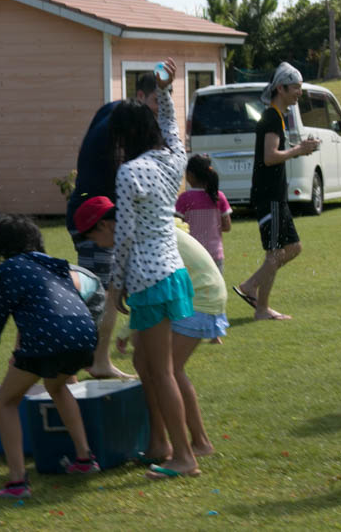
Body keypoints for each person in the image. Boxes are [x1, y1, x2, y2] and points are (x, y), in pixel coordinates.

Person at [75, 196, 226, 464]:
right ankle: (159, 443)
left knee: (168, 370)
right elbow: (147, 294)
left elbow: (153, 287)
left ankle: (198, 443)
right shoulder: (136, 232)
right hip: (184, 294)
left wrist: (126, 331)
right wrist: (128, 331)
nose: (96, 245)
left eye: (93, 237)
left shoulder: (137, 239)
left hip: (201, 296)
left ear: (106, 226)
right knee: (143, 363)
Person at [109, 58, 200, 480]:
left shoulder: (129, 173)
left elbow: (123, 235)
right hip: (173, 272)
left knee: (159, 371)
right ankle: (160, 443)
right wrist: (164, 89)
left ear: (124, 138)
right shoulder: (172, 160)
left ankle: (184, 456)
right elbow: (172, 125)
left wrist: (115, 286)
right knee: (147, 367)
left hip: (149, 278)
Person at [0, 215, 100, 499]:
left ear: (2, 245)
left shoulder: (8, 268)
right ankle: (84, 458)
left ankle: (17, 482)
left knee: (6, 400)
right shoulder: (56, 264)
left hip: (49, 337)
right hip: (86, 334)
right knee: (57, 386)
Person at [63, 74, 162, 379]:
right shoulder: (121, 131)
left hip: (91, 212)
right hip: (95, 221)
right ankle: (93, 361)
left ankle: (96, 355)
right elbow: (123, 182)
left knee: (106, 290)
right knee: (103, 292)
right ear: (143, 97)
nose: (159, 112)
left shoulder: (112, 112)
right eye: (159, 102)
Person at [233, 62, 320, 320]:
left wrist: (299, 147)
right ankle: (259, 303)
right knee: (274, 252)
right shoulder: (271, 117)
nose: (299, 93)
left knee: (293, 247)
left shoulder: (277, 117)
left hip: (275, 196)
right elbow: (270, 157)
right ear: (281, 88)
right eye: (296, 88)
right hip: (268, 196)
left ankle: (253, 289)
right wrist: (299, 151)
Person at [176, 154, 232, 271]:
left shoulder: (184, 198)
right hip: (215, 253)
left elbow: (176, 227)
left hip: (192, 254)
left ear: (190, 175)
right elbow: (227, 226)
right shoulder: (218, 196)